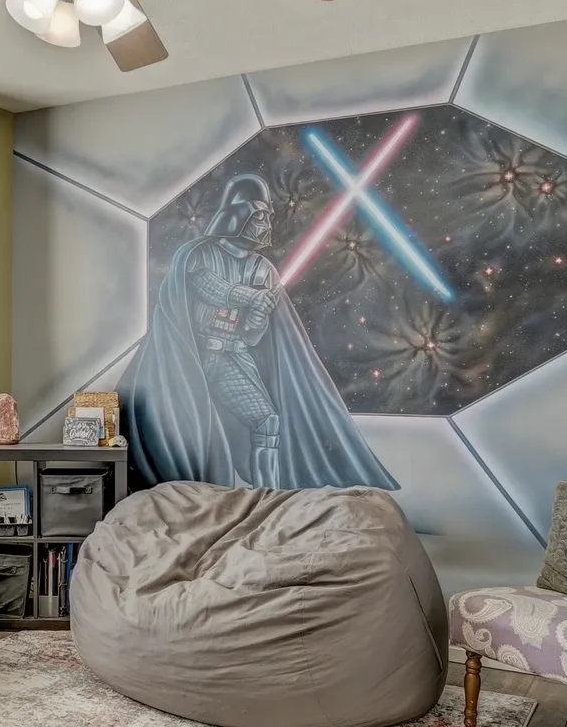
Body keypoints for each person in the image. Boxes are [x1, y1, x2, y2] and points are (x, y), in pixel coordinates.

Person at [123, 173, 397, 490]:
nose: (266, 222)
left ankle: (266, 499)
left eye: (268, 215)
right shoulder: (199, 255)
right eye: (260, 215)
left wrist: (259, 313)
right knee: (188, 435)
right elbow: (210, 288)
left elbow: (254, 337)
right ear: (240, 214)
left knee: (267, 422)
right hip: (189, 361)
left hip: (231, 358)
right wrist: (251, 296)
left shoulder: (264, 270)